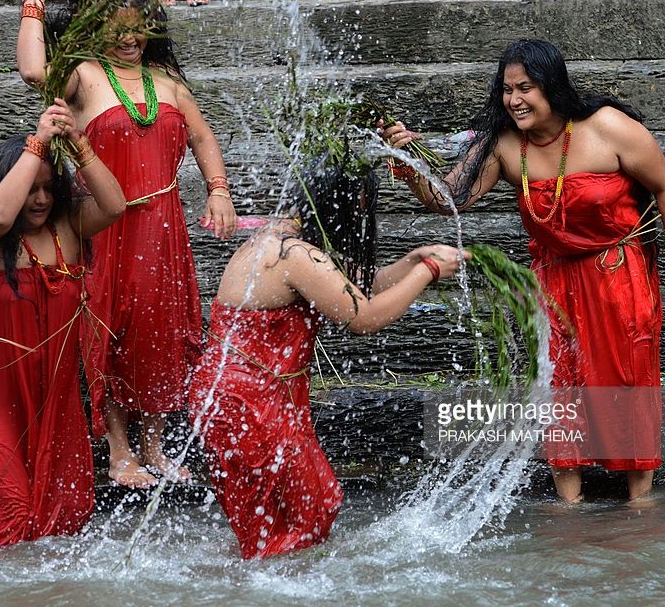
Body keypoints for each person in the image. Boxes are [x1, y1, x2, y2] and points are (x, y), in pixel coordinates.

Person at [381, 39, 665, 504]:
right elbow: (449, 199)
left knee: (626, 375)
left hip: (618, 272)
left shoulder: (609, 127)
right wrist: (409, 165)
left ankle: (639, 500)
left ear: (551, 86)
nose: (514, 100)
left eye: (525, 88)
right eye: (507, 89)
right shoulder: (505, 144)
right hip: (552, 280)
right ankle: (568, 504)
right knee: (557, 382)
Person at [17, 0, 237, 489]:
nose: (130, 40)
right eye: (118, 31)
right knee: (110, 329)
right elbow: (32, 71)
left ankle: (155, 446)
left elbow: (202, 137)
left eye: (139, 30)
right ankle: (119, 452)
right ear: (95, 30)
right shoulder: (82, 75)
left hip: (164, 228)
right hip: (104, 225)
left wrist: (219, 191)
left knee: (159, 331)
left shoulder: (169, 82)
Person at [189, 165, 470, 559]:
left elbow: (352, 289)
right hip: (249, 403)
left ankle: (262, 601)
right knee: (306, 515)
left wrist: (411, 262)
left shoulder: (280, 241)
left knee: (289, 518)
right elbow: (364, 317)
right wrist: (429, 271)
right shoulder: (293, 255)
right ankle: (274, 606)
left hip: (242, 398)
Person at [0, 100, 126, 548]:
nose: (42, 199)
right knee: (11, 515)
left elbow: (115, 204)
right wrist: (38, 142)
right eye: (32, 188)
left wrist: (77, 142)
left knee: (64, 520)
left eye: (50, 188)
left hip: (54, 389)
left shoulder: (67, 227)